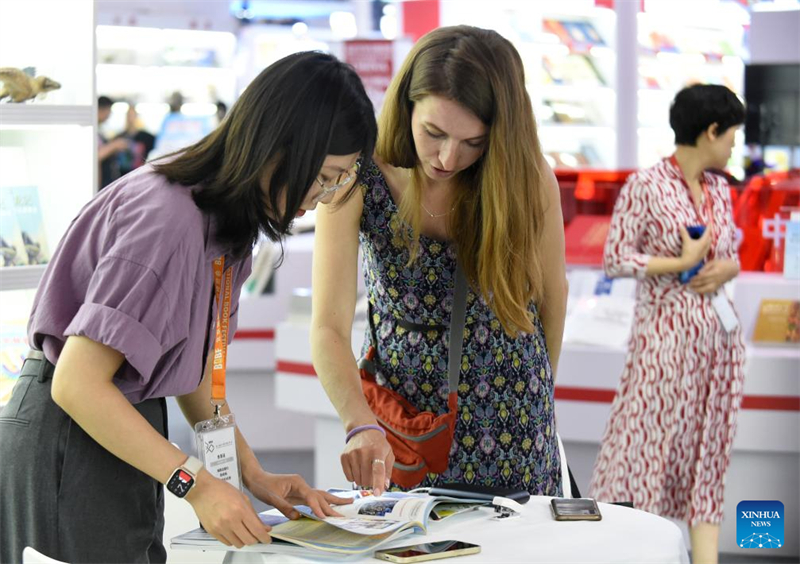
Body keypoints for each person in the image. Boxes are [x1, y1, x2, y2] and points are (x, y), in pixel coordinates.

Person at [0, 51, 377, 564]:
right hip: (72, 432)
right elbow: (77, 383)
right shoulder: (169, 220)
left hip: (118, 425)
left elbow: (197, 370)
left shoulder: (227, 221)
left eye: (340, 180)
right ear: (283, 147)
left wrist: (250, 474)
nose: (324, 196)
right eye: (325, 175)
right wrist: (193, 483)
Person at [311, 26, 567, 497]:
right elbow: (327, 327)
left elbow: (552, 295)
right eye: (434, 133)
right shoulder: (357, 177)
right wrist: (357, 422)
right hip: (407, 430)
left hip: (515, 425)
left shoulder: (525, 177)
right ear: (406, 103)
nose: (449, 157)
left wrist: (540, 397)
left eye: (474, 142)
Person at [589, 84, 746, 564]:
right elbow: (615, 257)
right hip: (663, 350)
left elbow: (730, 251)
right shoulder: (647, 185)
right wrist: (677, 264)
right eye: (732, 133)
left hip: (719, 348)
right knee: (644, 458)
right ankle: (633, 553)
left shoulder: (721, 188)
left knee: (709, 461)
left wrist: (727, 267)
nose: (735, 144)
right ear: (711, 130)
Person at [114, 102, 156, 177]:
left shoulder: (147, 137)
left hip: (140, 175)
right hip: (122, 176)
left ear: (137, 116)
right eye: (129, 115)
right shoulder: (118, 137)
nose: (131, 118)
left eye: (133, 115)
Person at [97, 95, 129, 189]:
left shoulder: (99, 130)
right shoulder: (91, 131)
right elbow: (96, 156)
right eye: (109, 110)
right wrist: (114, 145)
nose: (109, 114)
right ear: (101, 109)